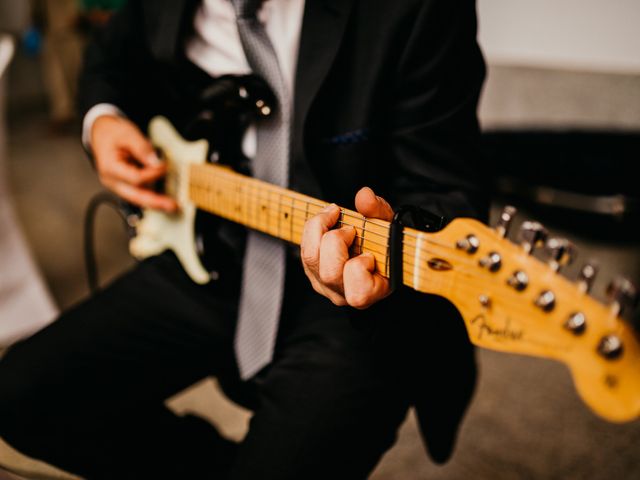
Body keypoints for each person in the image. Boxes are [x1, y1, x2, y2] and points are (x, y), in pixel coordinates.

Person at [0, 0, 489, 478]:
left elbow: (448, 193)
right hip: (209, 250)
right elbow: (108, 58)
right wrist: (102, 121)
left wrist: (382, 250)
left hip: (352, 302)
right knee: (18, 394)